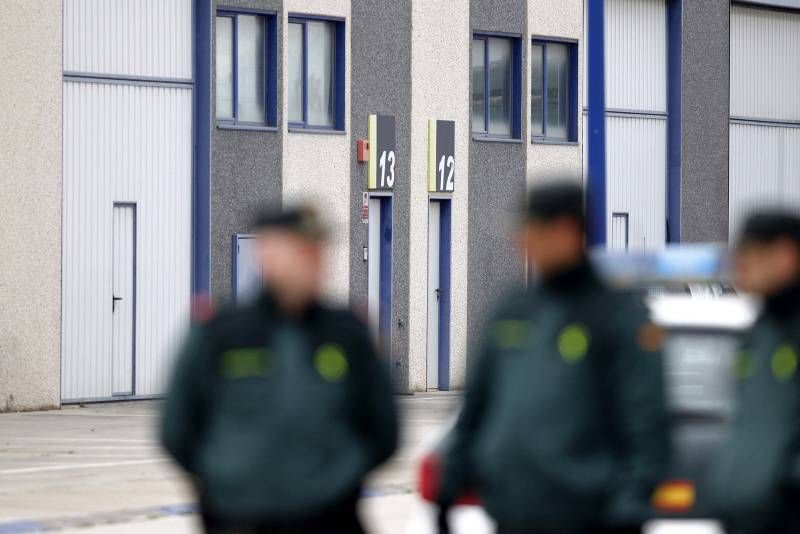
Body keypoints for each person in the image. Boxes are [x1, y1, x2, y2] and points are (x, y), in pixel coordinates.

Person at [436, 181, 670, 534]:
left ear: (566, 232)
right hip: (511, 515)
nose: (522, 242)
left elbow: (646, 426)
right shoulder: (514, 309)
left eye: (533, 231)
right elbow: (477, 406)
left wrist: (629, 506)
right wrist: (449, 482)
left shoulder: (616, 318)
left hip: (588, 518)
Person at [161, 205, 398, 534]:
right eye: (302, 251)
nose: (315, 260)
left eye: (318, 250)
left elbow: (384, 431)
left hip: (329, 520)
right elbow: (177, 429)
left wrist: (336, 479)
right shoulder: (222, 333)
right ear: (266, 254)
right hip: (238, 518)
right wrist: (223, 480)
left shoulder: (347, 334)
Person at [705, 211, 800, 534]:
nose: (739, 265)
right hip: (749, 517)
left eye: (749, 253)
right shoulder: (760, 333)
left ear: (785, 256)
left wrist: (779, 487)